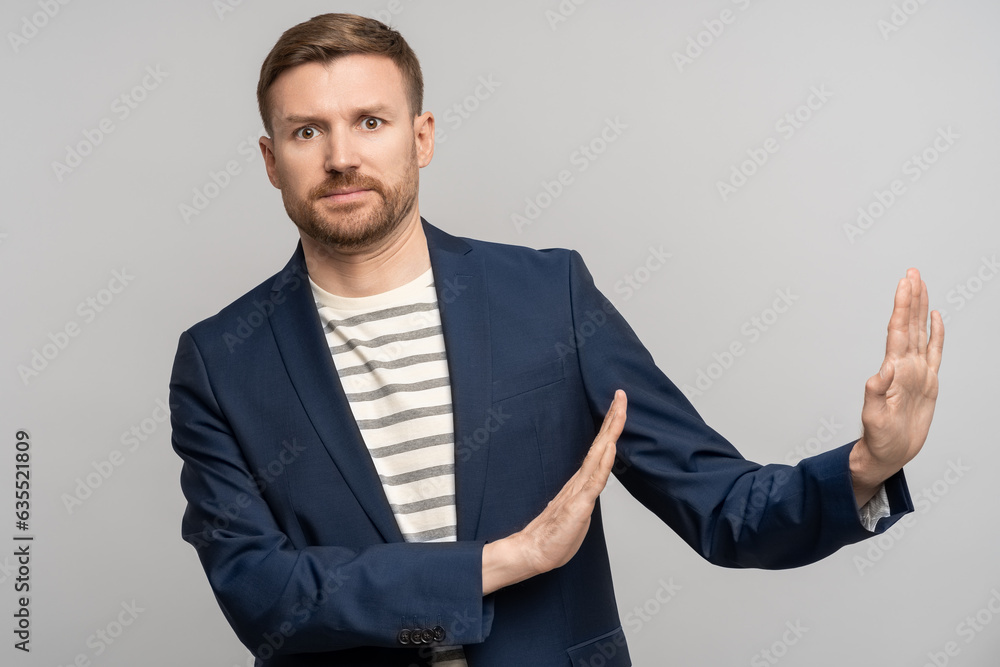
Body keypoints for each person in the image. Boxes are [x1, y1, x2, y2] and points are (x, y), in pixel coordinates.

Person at [168, 13, 944, 667]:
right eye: (308, 131)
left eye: (370, 121)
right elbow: (264, 596)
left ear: (422, 135)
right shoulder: (221, 361)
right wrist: (510, 558)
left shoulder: (547, 297)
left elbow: (723, 505)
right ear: (272, 160)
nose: (342, 156)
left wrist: (866, 465)